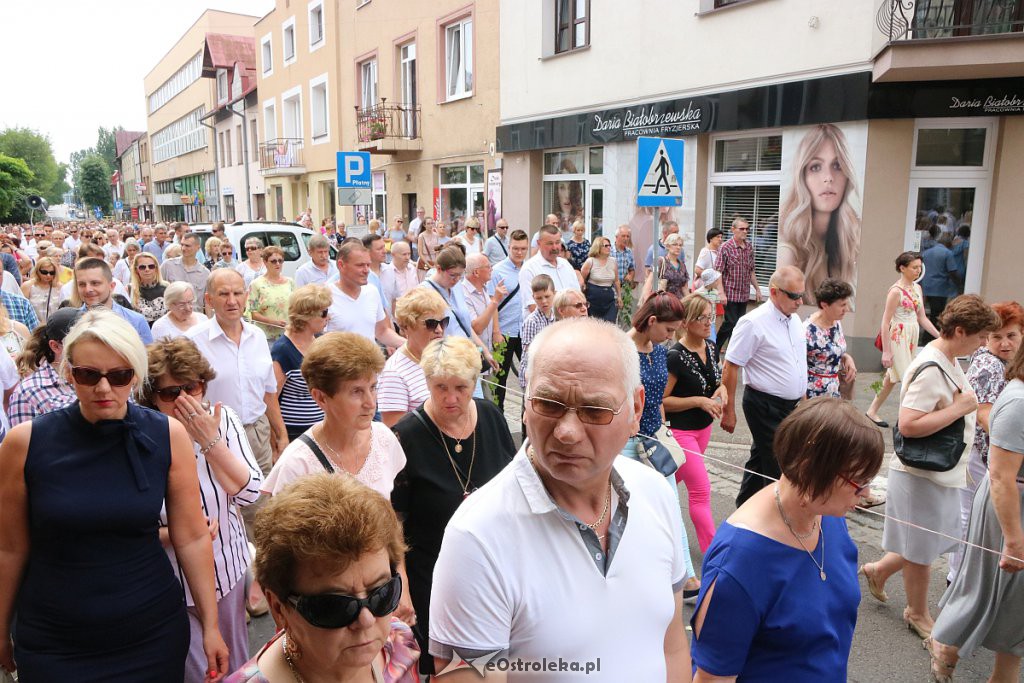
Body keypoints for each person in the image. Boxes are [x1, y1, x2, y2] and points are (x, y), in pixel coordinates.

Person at [429, 318, 691, 681]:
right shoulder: (477, 538)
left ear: (635, 409)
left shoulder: (656, 492)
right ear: (525, 403)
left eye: (594, 410)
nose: (567, 432)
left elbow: (672, 644)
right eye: (549, 404)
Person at [0, 310, 229, 680]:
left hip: (150, 634)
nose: (104, 389)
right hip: (54, 639)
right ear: (69, 372)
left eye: (119, 376)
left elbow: (190, 536)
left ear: (136, 375)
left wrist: (211, 626)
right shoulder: (24, 444)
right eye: (89, 375)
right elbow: (10, 548)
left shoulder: (166, 435)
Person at [690, 399, 884, 681]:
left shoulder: (827, 515)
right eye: (858, 483)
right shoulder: (739, 564)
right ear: (810, 471)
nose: (866, 494)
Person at [861, 295, 999, 640]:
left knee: (931, 540)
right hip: (920, 476)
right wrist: (960, 408)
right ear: (961, 330)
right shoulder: (932, 364)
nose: (984, 343)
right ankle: (917, 613)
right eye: (980, 336)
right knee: (922, 549)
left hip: (939, 472)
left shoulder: (947, 357)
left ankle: (879, 570)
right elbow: (907, 425)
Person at [391, 337, 516, 674]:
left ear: (474, 382)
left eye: (461, 387)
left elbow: (514, 488)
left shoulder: (490, 416)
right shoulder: (406, 436)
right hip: (431, 573)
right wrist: (400, 585)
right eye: (440, 387)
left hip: (493, 567)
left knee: (493, 661)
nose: (450, 398)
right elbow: (394, 520)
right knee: (445, 667)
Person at [143, 337, 264, 682]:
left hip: (227, 570)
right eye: (169, 393)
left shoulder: (223, 419)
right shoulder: (143, 437)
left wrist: (211, 442)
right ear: (152, 397)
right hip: (171, 584)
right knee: (199, 673)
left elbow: (251, 492)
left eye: (191, 387)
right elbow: (126, 525)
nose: (183, 400)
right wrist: (174, 534)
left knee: (237, 667)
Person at [225, 474, 419, 682]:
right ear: (278, 608)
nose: (367, 620)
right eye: (334, 606)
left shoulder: (399, 645)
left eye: (382, 594)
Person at [926, 342, 1024, 683]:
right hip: (1009, 508)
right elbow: (1000, 477)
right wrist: (1013, 542)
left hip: (1014, 504)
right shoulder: (1018, 402)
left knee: (1015, 603)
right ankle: (945, 646)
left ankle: (996, 672)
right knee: (985, 590)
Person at [188, 269, 288, 526]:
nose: (232, 301)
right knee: (223, 508)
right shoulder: (193, 343)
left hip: (258, 434)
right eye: (223, 294)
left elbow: (268, 393)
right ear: (209, 300)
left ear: (246, 296)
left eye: (237, 293)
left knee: (262, 510)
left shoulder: (257, 337)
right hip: (214, 438)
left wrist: (281, 435)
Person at [263, 332, 407, 498]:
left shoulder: (384, 438)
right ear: (321, 397)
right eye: (356, 391)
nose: (371, 403)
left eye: (373, 387)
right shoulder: (297, 464)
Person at [623, 292, 701, 597]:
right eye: (669, 330)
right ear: (651, 321)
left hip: (654, 440)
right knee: (630, 511)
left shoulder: (656, 348)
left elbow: (656, 397)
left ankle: (689, 579)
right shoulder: (623, 351)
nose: (672, 337)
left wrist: (663, 423)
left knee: (669, 504)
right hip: (626, 444)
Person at [947, 301, 1024, 582]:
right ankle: (956, 578)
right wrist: (1012, 437)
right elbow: (983, 413)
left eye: (1011, 335)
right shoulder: (988, 364)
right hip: (980, 454)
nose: (1004, 343)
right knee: (969, 517)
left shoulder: (1010, 363)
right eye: (996, 337)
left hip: (992, 453)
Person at [721, 266, 808, 506]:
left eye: (802, 295)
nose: (800, 301)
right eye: (794, 295)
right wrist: (728, 410)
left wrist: (803, 397)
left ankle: (744, 511)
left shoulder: (794, 320)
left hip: (789, 405)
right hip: (764, 404)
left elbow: (797, 360)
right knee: (780, 466)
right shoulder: (753, 322)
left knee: (760, 461)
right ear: (774, 292)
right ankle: (775, 520)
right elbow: (731, 366)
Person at [665, 294, 727, 553]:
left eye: (710, 316)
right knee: (700, 490)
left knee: (667, 484)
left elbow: (719, 383)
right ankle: (713, 552)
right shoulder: (674, 356)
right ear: (686, 322)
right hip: (682, 432)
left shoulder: (711, 347)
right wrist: (699, 401)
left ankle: (645, 515)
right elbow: (664, 401)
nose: (708, 323)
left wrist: (721, 392)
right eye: (702, 317)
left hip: (703, 430)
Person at [777, 124, 861, 304]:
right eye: (816, 167)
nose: (828, 177)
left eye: (837, 165)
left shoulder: (852, 237)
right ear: (803, 177)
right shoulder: (790, 251)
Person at [865, 251, 941, 427]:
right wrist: (886, 351)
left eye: (920, 267)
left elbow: (922, 317)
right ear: (902, 268)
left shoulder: (917, 288)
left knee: (892, 378)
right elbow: (885, 322)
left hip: (912, 335)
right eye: (914, 267)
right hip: (897, 336)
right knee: (909, 377)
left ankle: (872, 410)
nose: (918, 271)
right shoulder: (895, 291)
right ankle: (906, 419)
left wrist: (939, 335)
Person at [379, 288, 449, 428]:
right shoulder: (394, 374)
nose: (439, 330)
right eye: (431, 324)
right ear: (407, 327)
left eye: (443, 322)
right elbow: (396, 434)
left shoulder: (443, 357)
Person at [271, 284, 332, 442]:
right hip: (293, 434)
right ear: (306, 315)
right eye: (324, 313)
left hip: (321, 429)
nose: (328, 317)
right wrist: (279, 438)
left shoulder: (318, 343)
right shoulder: (283, 350)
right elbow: (271, 399)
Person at [8, 308, 81, 425]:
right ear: (55, 346)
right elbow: (23, 441)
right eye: (79, 342)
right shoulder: (28, 393)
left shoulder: (103, 377)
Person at [326, 241, 406, 348]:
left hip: (371, 363)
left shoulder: (372, 291)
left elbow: (382, 331)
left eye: (368, 265)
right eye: (360, 265)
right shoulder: (325, 296)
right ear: (341, 265)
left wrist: (409, 345)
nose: (366, 270)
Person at [74, 257, 153, 344]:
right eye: (82, 284)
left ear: (111, 286)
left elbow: (147, 356)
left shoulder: (135, 321)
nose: (88, 289)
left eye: (95, 283)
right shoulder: (71, 322)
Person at [715, 217, 762, 358]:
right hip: (730, 292)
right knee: (730, 322)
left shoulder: (748, 247)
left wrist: (758, 289)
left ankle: (733, 352)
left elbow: (751, 271)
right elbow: (718, 272)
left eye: (747, 229)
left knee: (740, 325)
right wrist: (721, 293)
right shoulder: (725, 247)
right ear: (733, 230)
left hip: (743, 293)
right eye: (742, 228)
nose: (745, 231)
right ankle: (715, 349)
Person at [804, 278, 857, 399]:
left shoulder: (836, 322)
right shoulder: (807, 331)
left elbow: (833, 350)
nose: (847, 309)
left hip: (834, 392)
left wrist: (847, 357)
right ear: (824, 305)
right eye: (842, 305)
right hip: (813, 396)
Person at [518, 224, 580, 318]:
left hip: (569, 326)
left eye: (557, 242)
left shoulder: (566, 265)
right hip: (545, 330)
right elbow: (532, 306)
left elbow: (577, 297)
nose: (555, 247)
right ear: (539, 243)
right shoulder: (529, 269)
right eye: (550, 243)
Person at [517, 274, 556, 392]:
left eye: (547, 296)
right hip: (532, 374)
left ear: (554, 293)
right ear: (533, 297)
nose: (544, 301)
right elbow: (529, 352)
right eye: (539, 298)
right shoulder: (532, 321)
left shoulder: (555, 317)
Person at [248, 246, 294, 343]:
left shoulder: (290, 282)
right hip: (267, 337)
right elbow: (253, 313)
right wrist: (274, 322)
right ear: (265, 262)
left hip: (289, 334)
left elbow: (297, 307)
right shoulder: (256, 284)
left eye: (280, 261)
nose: (277, 264)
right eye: (273, 261)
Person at [461, 253, 504, 354]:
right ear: (476, 272)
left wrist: (496, 331)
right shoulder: (463, 294)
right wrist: (495, 300)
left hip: (487, 351)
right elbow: (477, 328)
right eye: (488, 266)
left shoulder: (484, 288)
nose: (491, 269)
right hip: (473, 355)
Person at [921, 229, 960, 328]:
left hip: (926, 286)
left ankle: (926, 334)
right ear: (949, 243)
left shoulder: (926, 252)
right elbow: (952, 271)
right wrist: (959, 284)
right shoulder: (948, 253)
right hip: (940, 288)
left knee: (926, 313)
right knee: (937, 314)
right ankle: (931, 335)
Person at [161, 233, 210, 313]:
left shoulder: (205, 273)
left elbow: (207, 303)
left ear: (197, 248)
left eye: (187, 246)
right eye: (182, 245)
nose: (183, 248)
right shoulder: (167, 266)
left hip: (195, 319)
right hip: (172, 317)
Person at [581, 234, 621, 323]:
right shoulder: (590, 261)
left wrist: (619, 296)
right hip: (593, 298)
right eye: (606, 246)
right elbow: (581, 280)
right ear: (598, 247)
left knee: (610, 324)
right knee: (594, 324)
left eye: (609, 245)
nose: (609, 248)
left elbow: (616, 281)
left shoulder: (613, 261)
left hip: (609, 299)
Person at [642, 232, 689, 303]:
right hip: (663, 303)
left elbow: (684, 288)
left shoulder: (682, 265)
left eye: (680, 245)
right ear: (667, 246)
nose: (678, 247)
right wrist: (646, 299)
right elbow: (650, 280)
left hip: (678, 303)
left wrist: (690, 302)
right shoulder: (660, 261)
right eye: (675, 244)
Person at [128, 251, 169, 326]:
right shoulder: (129, 289)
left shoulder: (167, 287)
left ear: (156, 268)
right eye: (142, 267)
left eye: (151, 266)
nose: (147, 269)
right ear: (136, 269)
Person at [380, 240, 418, 317]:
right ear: (393, 255)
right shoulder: (386, 273)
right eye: (404, 254)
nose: (407, 257)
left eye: (409, 254)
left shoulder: (412, 269)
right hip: (397, 316)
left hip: (415, 313)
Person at [21, 256, 61, 323]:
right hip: (33, 326)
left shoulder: (60, 287)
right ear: (37, 271)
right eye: (44, 272)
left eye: (51, 273)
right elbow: (22, 309)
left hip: (53, 326)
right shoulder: (28, 286)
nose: (48, 275)